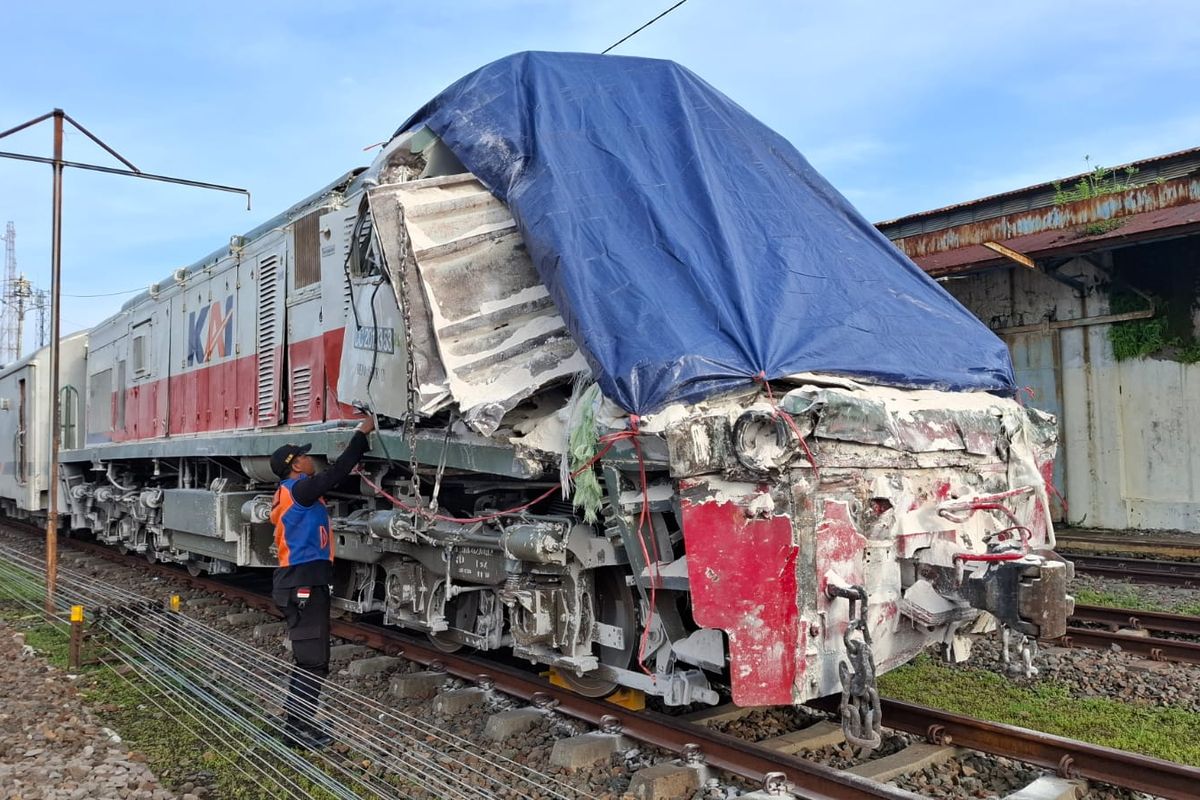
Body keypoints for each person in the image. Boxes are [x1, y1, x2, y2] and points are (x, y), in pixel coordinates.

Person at [269, 416, 374, 748]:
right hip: (302, 586)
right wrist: (361, 434)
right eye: (304, 455)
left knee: (312, 659)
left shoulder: (295, 493)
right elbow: (336, 472)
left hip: (302, 583)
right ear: (295, 465)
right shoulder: (298, 490)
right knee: (313, 661)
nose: (310, 458)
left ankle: (297, 723)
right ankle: (296, 732)